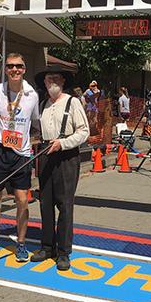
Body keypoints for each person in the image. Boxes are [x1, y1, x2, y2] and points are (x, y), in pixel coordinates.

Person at [0, 53, 40, 262]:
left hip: (21, 153)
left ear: (24, 69)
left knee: (22, 200)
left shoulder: (32, 94)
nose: (14, 70)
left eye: (19, 66)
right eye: (10, 66)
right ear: (5, 69)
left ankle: (21, 244)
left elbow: (35, 122)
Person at [31, 65, 89, 271]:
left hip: (66, 156)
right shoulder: (44, 104)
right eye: (49, 79)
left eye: (56, 78)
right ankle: (48, 247)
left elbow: (84, 132)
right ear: (44, 83)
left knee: (64, 205)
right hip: (46, 154)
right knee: (45, 203)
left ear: (63, 82)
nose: (52, 81)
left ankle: (64, 252)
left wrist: (63, 143)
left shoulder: (72, 102)